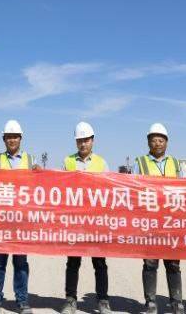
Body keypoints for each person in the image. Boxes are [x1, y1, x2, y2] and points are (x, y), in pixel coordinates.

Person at [0, 120, 37, 314]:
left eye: (15, 136)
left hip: (21, 221)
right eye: (8, 137)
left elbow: (39, 186)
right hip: (1, 221)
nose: (12, 140)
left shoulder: (31, 161)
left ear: (20, 138)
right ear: (3, 139)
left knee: (21, 263)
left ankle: (22, 301)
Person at [134, 123, 186, 314]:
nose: (157, 143)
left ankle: (177, 301)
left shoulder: (177, 164)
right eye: (154, 140)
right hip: (150, 223)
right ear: (148, 142)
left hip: (172, 222)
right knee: (150, 263)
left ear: (167, 142)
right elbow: (132, 190)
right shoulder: (139, 163)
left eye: (161, 140)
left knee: (173, 263)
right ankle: (150, 302)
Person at [62, 122, 111, 314]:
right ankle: (70, 299)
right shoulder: (68, 162)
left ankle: (103, 301)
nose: (83, 144)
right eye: (80, 140)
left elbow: (110, 190)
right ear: (76, 142)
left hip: (96, 221)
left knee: (99, 262)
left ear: (93, 141)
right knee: (73, 262)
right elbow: (59, 189)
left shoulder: (102, 163)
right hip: (75, 221)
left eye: (86, 140)